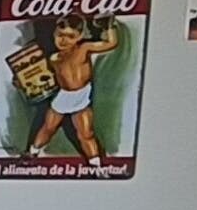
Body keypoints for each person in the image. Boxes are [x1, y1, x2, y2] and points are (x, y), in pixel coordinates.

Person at [18, 13, 124, 164]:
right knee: (48, 128)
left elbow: (111, 43)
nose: (64, 40)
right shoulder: (54, 58)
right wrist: (22, 81)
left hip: (82, 96)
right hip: (63, 97)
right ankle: (32, 152)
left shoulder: (84, 48)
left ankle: (97, 166)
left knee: (86, 134)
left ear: (79, 36)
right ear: (54, 34)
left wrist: (109, 26)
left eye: (70, 36)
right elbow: (39, 78)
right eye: (60, 35)